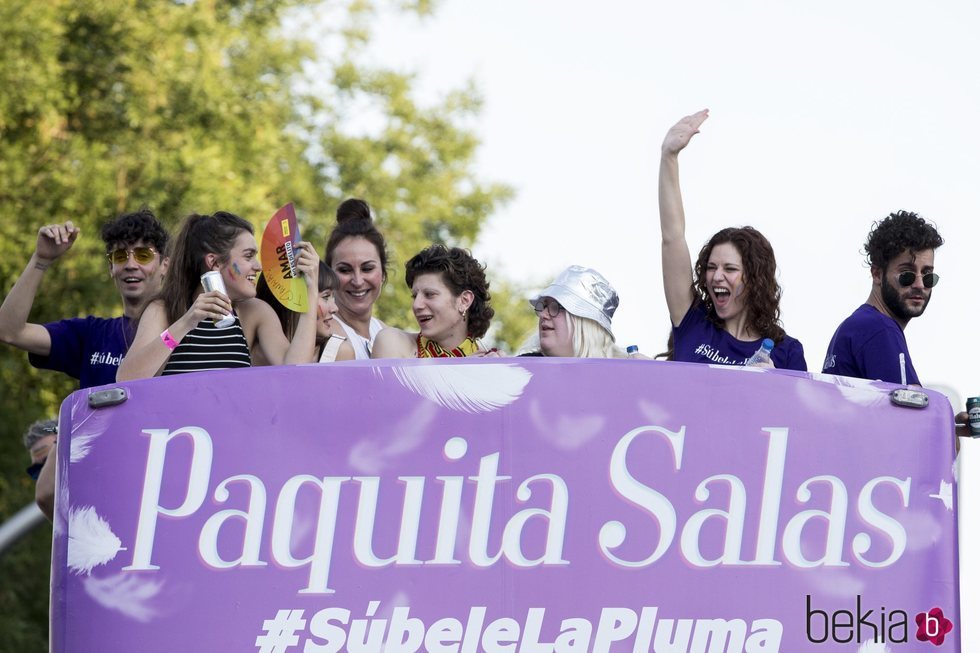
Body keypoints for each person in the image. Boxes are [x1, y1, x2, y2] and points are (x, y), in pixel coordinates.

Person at [658, 110, 806, 370]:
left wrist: (776, 387)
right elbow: (673, 237)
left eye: (730, 269)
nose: (716, 277)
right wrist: (669, 156)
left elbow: (798, 411)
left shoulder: (786, 351)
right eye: (712, 267)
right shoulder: (693, 321)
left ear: (755, 278)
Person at [117, 211, 320, 379]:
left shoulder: (254, 312)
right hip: (180, 427)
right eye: (249, 256)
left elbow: (295, 373)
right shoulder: (163, 309)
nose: (258, 266)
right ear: (214, 262)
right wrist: (186, 323)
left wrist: (310, 292)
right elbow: (126, 378)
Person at [0, 209, 170, 388]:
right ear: (111, 267)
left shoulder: (184, 330)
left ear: (165, 265)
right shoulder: (91, 335)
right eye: (120, 256)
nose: (130, 265)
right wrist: (41, 259)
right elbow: (8, 331)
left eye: (143, 255)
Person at [822, 210, 943, 386]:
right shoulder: (879, 329)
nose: (919, 284)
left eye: (927, 275)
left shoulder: (856, 326)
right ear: (877, 274)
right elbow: (908, 412)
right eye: (906, 274)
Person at [372, 244, 496, 358]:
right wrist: (463, 372)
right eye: (415, 296)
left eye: (429, 294)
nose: (416, 305)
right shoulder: (392, 343)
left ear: (464, 301)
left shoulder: (490, 362)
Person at [254, 261, 355, 364]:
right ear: (291, 303)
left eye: (333, 297)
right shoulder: (249, 350)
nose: (335, 308)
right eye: (325, 297)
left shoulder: (339, 352)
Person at [324, 198, 388, 358]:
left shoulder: (385, 332)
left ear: (383, 272)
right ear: (329, 276)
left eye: (367, 268)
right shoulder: (322, 333)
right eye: (345, 270)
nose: (358, 281)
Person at [520, 265, 628, 358]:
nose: (543, 314)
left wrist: (641, 372)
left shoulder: (622, 376)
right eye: (543, 306)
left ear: (585, 324)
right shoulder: (522, 371)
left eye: (556, 307)